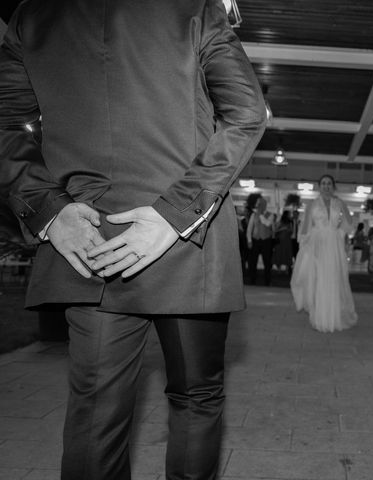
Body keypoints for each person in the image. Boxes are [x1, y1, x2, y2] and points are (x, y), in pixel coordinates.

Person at [0, 1, 267, 479]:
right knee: (195, 398)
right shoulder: (195, 7)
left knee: (95, 411)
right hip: (188, 247)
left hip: (88, 241)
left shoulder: (34, 15)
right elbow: (246, 112)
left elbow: (3, 122)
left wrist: (49, 210)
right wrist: (174, 214)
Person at [290, 175, 357, 332]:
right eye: (323, 183)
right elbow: (306, 225)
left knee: (334, 278)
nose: (326, 186)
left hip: (334, 245)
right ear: (319, 186)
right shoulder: (312, 204)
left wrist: (339, 233)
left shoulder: (339, 203)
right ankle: (320, 317)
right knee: (319, 278)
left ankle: (333, 317)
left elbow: (349, 222)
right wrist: (304, 245)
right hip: (317, 244)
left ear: (333, 186)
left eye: (329, 183)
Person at [246, 195, 276, 286]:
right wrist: (249, 240)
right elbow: (249, 229)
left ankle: (267, 281)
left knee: (267, 262)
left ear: (264, 205)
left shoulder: (270, 215)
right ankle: (252, 280)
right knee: (253, 262)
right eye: (258, 204)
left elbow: (267, 224)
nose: (258, 205)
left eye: (260, 204)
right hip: (255, 240)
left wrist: (261, 215)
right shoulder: (253, 215)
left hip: (266, 241)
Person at [273, 210, 294, 275]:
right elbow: (275, 230)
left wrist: (288, 229)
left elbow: (291, 231)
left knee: (287, 254)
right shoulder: (280, 222)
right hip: (280, 240)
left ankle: (287, 269)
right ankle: (278, 269)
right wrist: (283, 228)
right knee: (279, 254)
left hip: (287, 241)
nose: (290, 215)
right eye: (289, 214)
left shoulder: (290, 222)